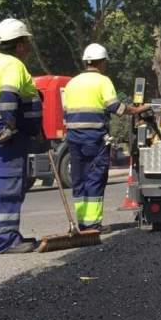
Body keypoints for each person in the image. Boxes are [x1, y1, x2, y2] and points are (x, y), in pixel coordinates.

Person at [62, 43, 150, 232]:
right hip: (94, 138)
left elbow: (66, 111)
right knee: (95, 178)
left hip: (74, 139)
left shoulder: (72, 83)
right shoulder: (103, 81)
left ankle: (82, 223)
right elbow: (115, 107)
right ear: (102, 62)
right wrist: (136, 110)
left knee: (79, 179)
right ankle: (93, 224)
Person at [0, 18, 42, 254]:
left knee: (5, 181)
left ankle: (8, 234)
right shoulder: (14, 66)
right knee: (8, 183)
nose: (29, 47)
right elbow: (7, 97)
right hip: (7, 136)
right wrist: (10, 125)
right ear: (20, 45)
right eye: (27, 42)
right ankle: (5, 241)